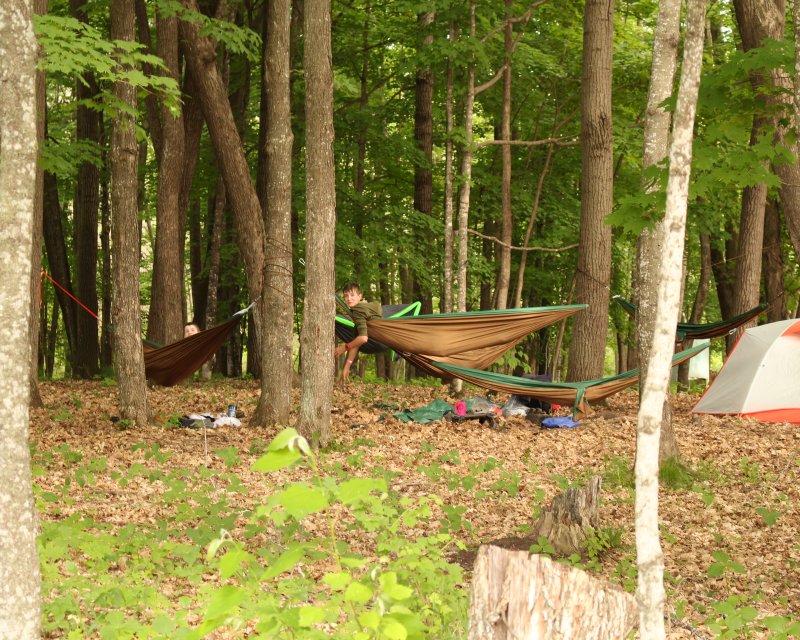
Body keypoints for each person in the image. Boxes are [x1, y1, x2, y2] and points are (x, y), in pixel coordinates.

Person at [333, 283, 382, 381]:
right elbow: (356, 343)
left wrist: (344, 348)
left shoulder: (358, 311)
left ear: (360, 296)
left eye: (352, 295)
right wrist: (347, 367)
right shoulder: (365, 307)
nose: (349, 298)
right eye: (346, 295)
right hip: (383, 340)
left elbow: (363, 338)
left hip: (382, 340)